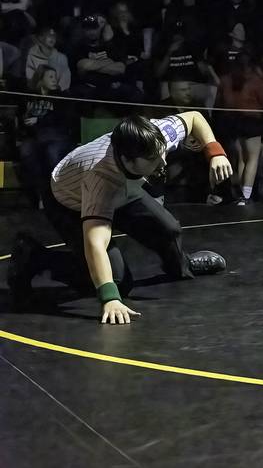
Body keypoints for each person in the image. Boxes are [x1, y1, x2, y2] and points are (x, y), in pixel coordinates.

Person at [6, 112, 234, 324]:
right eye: (155, 158)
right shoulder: (100, 178)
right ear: (128, 160)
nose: (163, 161)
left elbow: (194, 118)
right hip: (71, 201)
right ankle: (34, 257)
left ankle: (182, 268)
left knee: (168, 229)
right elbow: (96, 243)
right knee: (117, 282)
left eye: (162, 152)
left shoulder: (155, 135)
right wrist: (110, 298)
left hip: (124, 189)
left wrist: (215, 153)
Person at [16, 65, 75, 204]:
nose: (55, 80)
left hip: (56, 135)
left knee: (52, 152)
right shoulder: (29, 97)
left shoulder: (60, 96)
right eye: (50, 77)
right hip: (35, 136)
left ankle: (58, 193)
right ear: (40, 79)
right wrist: (25, 120)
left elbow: (64, 117)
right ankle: (40, 192)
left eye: (55, 77)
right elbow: (21, 117)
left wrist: (40, 120)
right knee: (26, 152)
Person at [217, 52, 263, 205]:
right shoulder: (255, 81)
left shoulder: (225, 79)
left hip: (231, 122)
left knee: (241, 158)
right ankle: (245, 197)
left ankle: (239, 195)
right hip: (250, 121)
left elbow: (219, 101)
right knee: (252, 159)